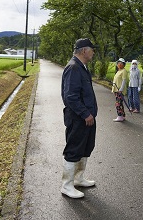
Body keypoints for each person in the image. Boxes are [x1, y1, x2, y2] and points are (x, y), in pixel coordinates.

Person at [60, 38, 98, 199]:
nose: (93, 52)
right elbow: (71, 96)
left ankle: (78, 178)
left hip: (86, 118)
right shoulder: (74, 68)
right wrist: (85, 114)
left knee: (85, 148)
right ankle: (67, 185)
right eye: (92, 49)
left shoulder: (82, 67)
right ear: (84, 51)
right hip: (78, 118)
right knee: (74, 149)